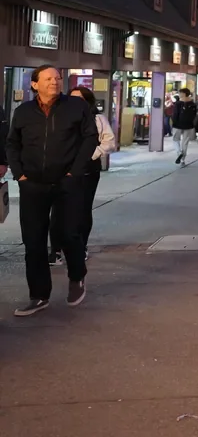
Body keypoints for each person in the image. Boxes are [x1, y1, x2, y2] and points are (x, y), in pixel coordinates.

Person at [7, 66, 99, 315]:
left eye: (58, 78)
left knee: (68, 233)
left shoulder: (76, 107)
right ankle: (39, 295)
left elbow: (91, 138)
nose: (54, 82)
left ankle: (77, 276)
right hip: (32, 185)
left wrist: (74, 173)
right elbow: (13, 143)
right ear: (35, 84)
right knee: (34, 242)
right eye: (48, 79)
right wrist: (20, 175)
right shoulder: (24, 111)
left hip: (66, 183)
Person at [49, 86, 116, 262]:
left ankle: (80, 247)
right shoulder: (58, 117)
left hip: (87, 171)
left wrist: (91, 155)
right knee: (58, 210)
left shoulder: (98, 119)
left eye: (80, 99)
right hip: (61, 170)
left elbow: (109, 143)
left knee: (82, 209)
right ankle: (56, 250)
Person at [171, 87, 198, 164]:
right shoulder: (193, 104)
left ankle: (179, 152)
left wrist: (173, 123)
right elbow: (194, 115)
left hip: (178, 125)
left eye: (180, 93)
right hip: (189, 125)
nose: (179, 94)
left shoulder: (178, 103)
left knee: (176, 139)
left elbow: (175, 114)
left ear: (183, 94)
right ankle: (183, 159)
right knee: (185, 142)